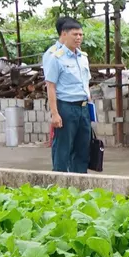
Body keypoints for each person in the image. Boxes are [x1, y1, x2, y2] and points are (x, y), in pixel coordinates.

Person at [43, 17, 92, 173]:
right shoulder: (55, 57)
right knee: (63, 149)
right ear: (64, 34)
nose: (78, 38)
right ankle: (60, 185)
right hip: (66, 107)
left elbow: (86, 82)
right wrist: (55, 114)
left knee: (83, 148)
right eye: (75, 34)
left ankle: (81, 183)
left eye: (81, 35)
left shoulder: (83, 57)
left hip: (83, 107)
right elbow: (51, 86)